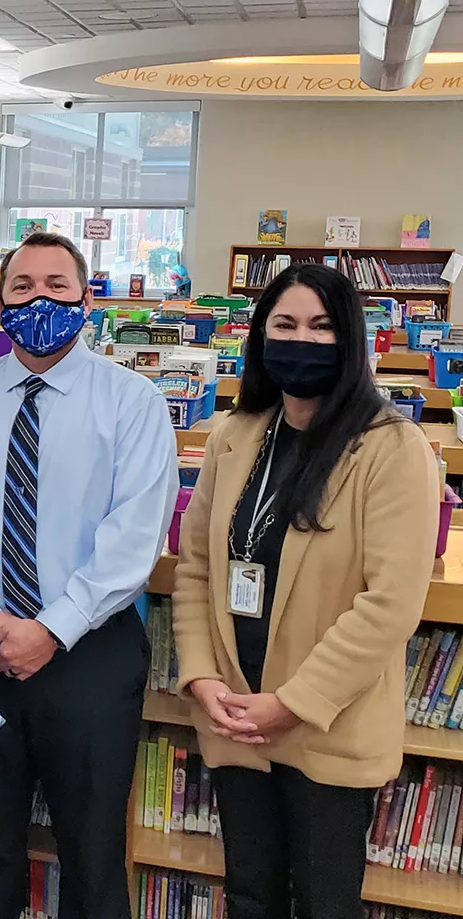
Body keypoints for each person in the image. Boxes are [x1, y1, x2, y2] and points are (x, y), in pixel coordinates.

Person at [0, 231, 179, 919]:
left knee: (93, 850)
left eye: (57, 286)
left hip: (90, 650)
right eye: (22, 286)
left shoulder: (133, 403)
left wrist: (51, 627)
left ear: (87, 299)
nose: (40, 298)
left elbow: (134, 540)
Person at [172, 264, 437, 919]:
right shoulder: (235, 436)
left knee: (325, 902)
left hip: (326, 724)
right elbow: (196, 566)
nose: (302, 340)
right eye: (285, 324)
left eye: (321, 326)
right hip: (236, 718)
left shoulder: (392, 447)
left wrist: (292, 703)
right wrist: (203, 677)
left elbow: (390, 603)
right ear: (261, 335)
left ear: (350, 340)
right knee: (250, 895)